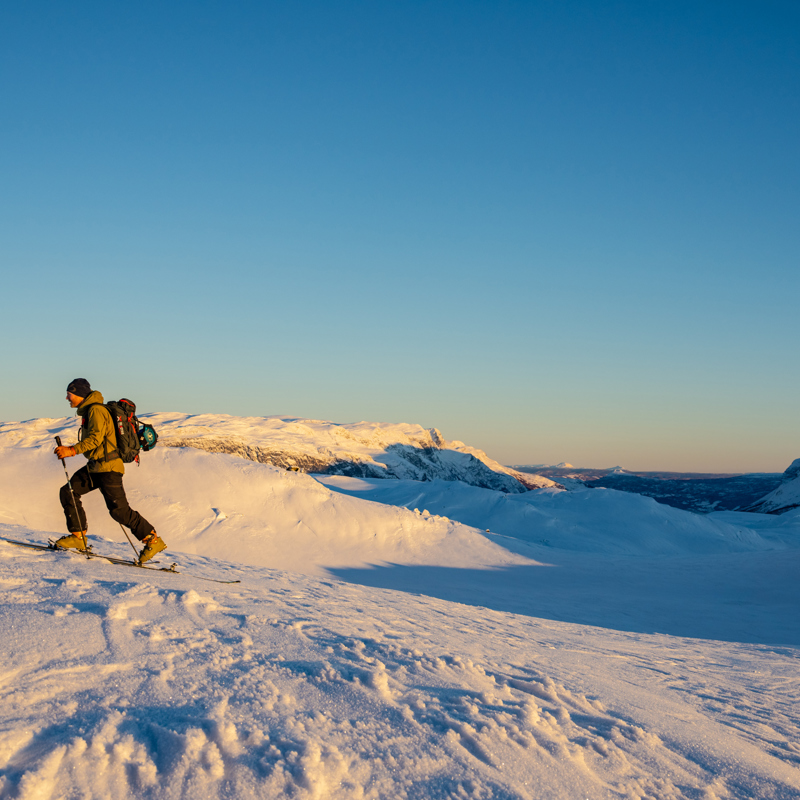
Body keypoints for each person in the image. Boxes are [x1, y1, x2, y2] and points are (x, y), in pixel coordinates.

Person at [53, 378, 167, 565]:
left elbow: (95, 439)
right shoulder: (91, 411)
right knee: (68, 492)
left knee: (119, 511)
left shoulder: (96, 410)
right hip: (96, 466)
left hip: (108, 468)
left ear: (79, 394)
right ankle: (78, 537)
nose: (67, 398)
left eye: (69, 394)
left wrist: (71, 450)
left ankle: (152, 540)